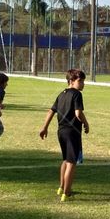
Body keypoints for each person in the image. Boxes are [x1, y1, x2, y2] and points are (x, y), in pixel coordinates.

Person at [39, 69, 89, 202]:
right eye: (80, 81)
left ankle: (61, 187)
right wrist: (86, 123)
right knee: (72, 163)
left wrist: (44, 127)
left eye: (83, 81)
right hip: (72, 132)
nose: (83, 84)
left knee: (66, 160)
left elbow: (51, 111)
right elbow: (78, 113)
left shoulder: (61, 94)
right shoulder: (76, 94)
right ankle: (67, 193)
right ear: (71, 81)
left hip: (61, 131)